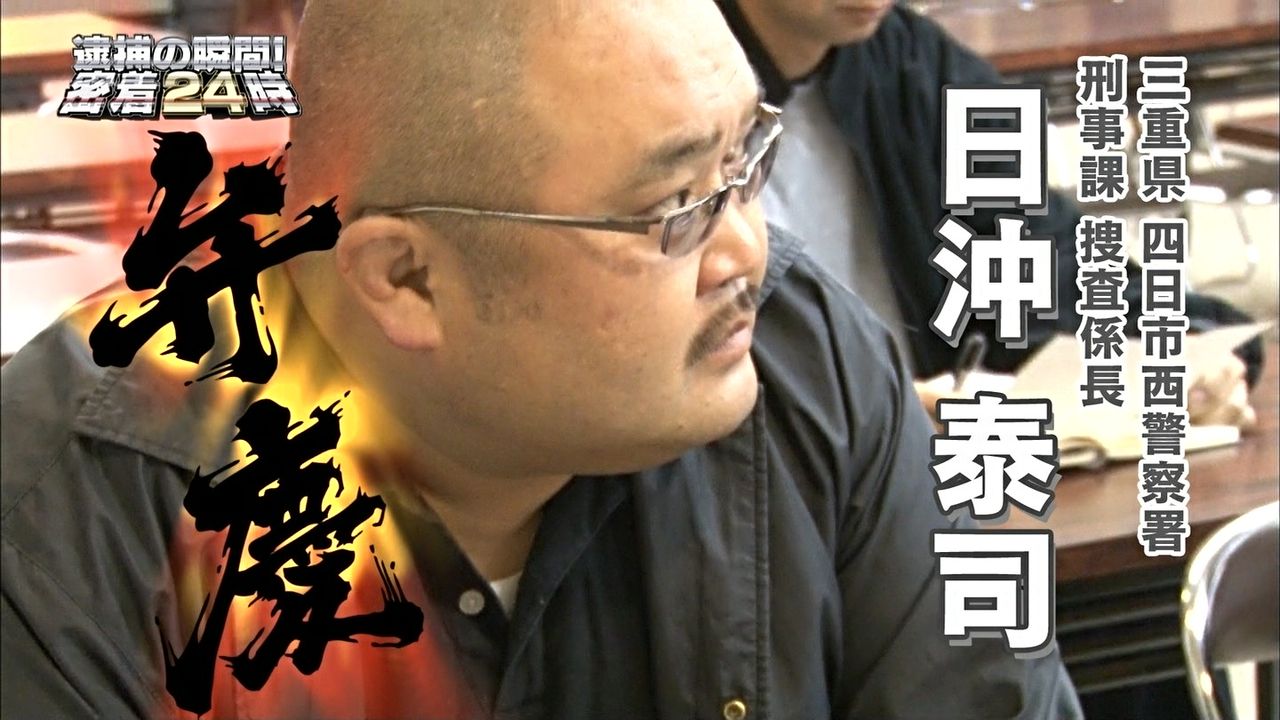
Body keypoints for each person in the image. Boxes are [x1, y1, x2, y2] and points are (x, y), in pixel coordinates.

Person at [1, 2, 1084, 718]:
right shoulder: (78, 510)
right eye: (674, 206)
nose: (747, 252)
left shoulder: (807, 360)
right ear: (406, 279)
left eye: (744, 159)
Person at [716, 0, 1264, 429]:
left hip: (930, 482)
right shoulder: (677, 102)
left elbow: (1053, 266)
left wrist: (1191, 346)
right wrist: (878, 420)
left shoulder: (919, 64)